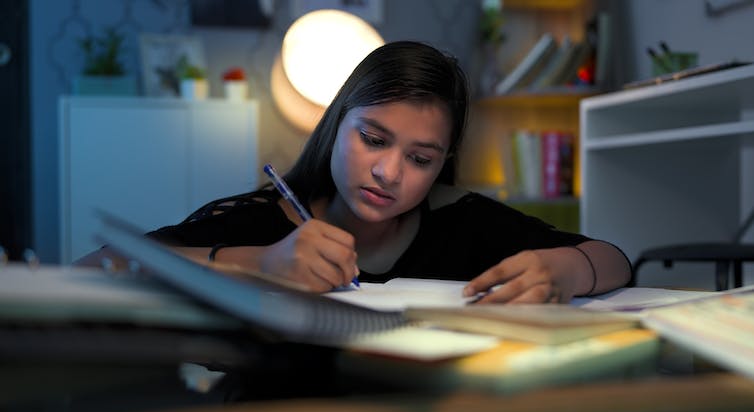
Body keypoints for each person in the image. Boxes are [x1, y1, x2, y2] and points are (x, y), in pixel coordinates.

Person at [78, 41, 631, 304]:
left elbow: (613, 259)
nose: (389, 172)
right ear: (336, 125)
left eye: (420, 159)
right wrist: (262, 264)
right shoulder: (260, 220)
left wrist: (563, 271)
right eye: (372, 139)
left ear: (442, 163)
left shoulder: (463, 223)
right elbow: (94, 266)